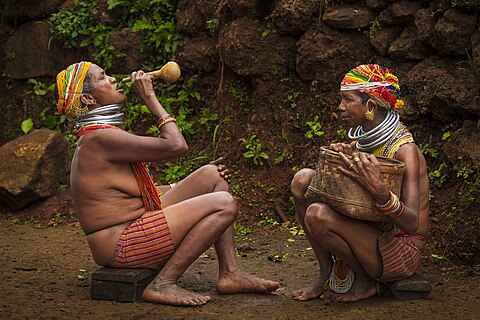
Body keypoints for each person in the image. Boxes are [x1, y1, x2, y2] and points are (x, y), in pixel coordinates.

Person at [55, 61, 279, 306]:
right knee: (224, 204)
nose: (113, 80)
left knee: (212, 176)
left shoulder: (99, 135)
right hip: (122, 244)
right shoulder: (98, 138)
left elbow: (134, 193)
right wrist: (149, 97)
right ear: (88, 98)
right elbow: (176, 145)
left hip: (137, 222)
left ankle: (230, 274)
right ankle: (163, 283)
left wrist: (180, 187)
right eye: (103, 77)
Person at [290, 64, 429, 303]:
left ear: (371, 106)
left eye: (347, 100)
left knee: (317, 215)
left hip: (398, 249)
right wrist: (341, 159)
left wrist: (380, 191)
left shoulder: (405, 151)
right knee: (302, 179)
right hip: (368, 235)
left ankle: (366, 281)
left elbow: (412, 223)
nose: (340, 107)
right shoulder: (363, 139)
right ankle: (325, 272)